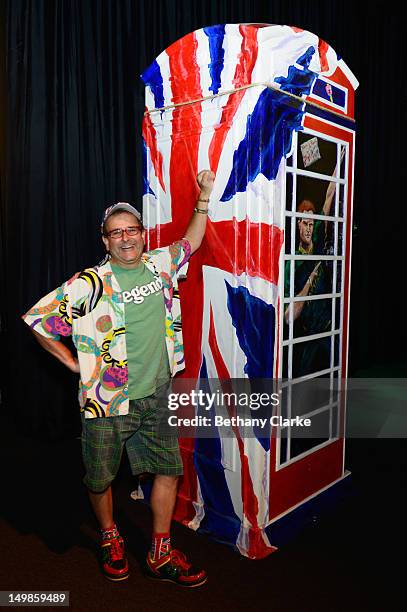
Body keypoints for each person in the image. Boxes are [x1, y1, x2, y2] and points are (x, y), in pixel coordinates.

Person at [22, 170, 215, 587]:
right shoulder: (89, 283)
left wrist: (204, 196)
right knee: (100, 477)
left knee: (168, 469)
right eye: (116, 233)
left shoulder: (161, 263)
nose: (125, 238)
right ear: (105, 241)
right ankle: (111, 536)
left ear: (142, 234)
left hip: (158, 394)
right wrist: (73, 364)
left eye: (132, 230)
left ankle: (160, 551)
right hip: (107, 402)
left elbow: (192, 240)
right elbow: (38, 320)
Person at [285, 153, 342, 376]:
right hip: (308, 335)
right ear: (297, 226)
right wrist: (309, 282)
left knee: (336, 381)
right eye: (305, 223)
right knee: (303, 382)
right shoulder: (293, 262)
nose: (309, 228)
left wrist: (339, 160)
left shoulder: (317, 238)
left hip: (329, 328)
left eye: (311, 223)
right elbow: (289, 317)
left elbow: (329, 195)